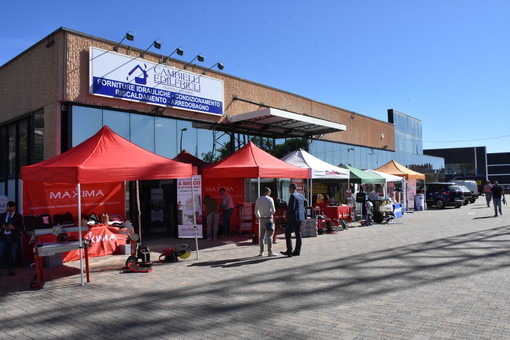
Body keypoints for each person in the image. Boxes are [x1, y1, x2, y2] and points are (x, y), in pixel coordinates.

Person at [281, 183, 308, 257]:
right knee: (298, 233)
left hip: (294, 217)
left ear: (291, 188)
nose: (288, 190)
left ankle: (289, 251)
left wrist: (286, 212)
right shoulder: (300, 195)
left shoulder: (293, 196)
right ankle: (297, 251)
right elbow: (306, 203)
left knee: (287, 232)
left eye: (289, 188)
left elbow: (291, 207)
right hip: (301, 217)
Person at [0, 201, 24, 276]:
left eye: (11, 210)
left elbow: (21, 228)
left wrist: (13, 228)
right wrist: (2, 226)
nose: (9, 212)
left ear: (14, 209)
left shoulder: (18, 216)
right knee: (1, 253)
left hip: (13, 238)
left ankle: (11, 270)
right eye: (8, 210)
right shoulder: (2, 215)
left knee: (12, 254)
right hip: (4, 237)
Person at [254, 187, 277, 257]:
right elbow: (273, 210)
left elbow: (255, 211)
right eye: (269, 192)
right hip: (269, 218)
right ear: (267, 192)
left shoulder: (258, 199)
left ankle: (261, 252)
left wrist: (259, 217)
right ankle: (270, 252)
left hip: (262, 219)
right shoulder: (270, 199)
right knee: (269, 236)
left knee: (262, 236)